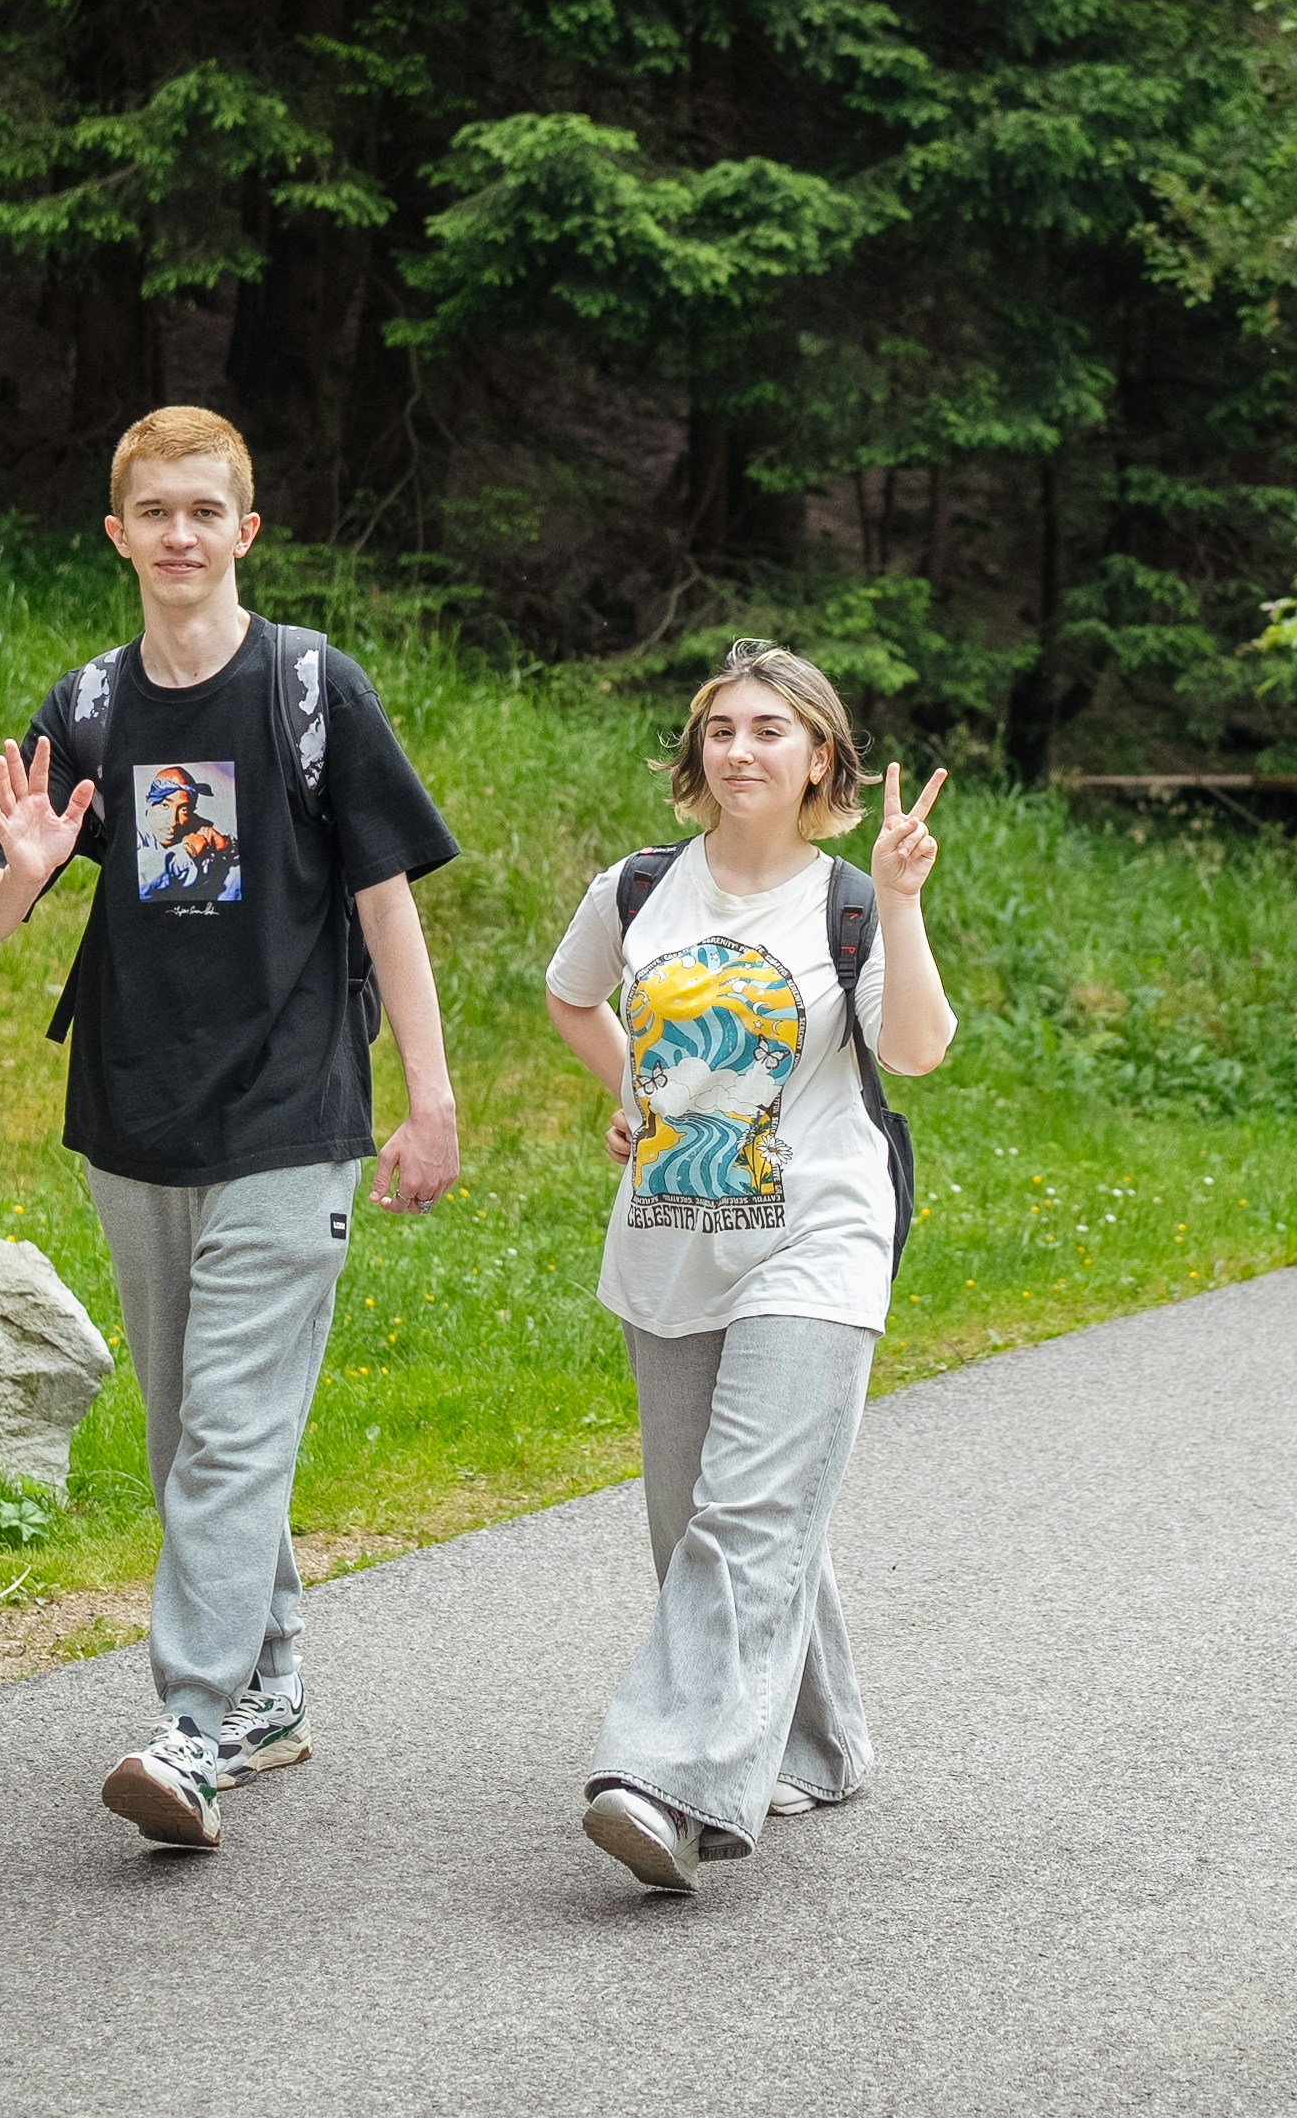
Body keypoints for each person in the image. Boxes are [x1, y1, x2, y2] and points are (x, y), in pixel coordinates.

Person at [0, 406, 461, 1849]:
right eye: (154, 513)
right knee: (195, 1436)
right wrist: (32, 865)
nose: (180, 535)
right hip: (134, 1114)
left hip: (293, 1113)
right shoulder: (91, 708)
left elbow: (386, 904)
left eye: (205, 512)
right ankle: (276, 1687)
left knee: (232, 1437)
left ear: (248, 531)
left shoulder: (312, 689)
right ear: (117, 535)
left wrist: (428, 1100)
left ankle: (190, 1727)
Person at [544, 641, 959, 1894]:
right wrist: (637, 1091)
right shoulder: (637, 889)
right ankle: (821, 1744)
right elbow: (573, 1000)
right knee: (698, 1528)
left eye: (770, 729)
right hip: (673, 1241)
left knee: (748, 1512)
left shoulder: (843, 901)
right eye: (721, 727)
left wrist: (900, 900)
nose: (740, 749)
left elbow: (920, 1047)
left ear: (820, 754)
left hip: (817, 1238)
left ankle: (667, 1780)